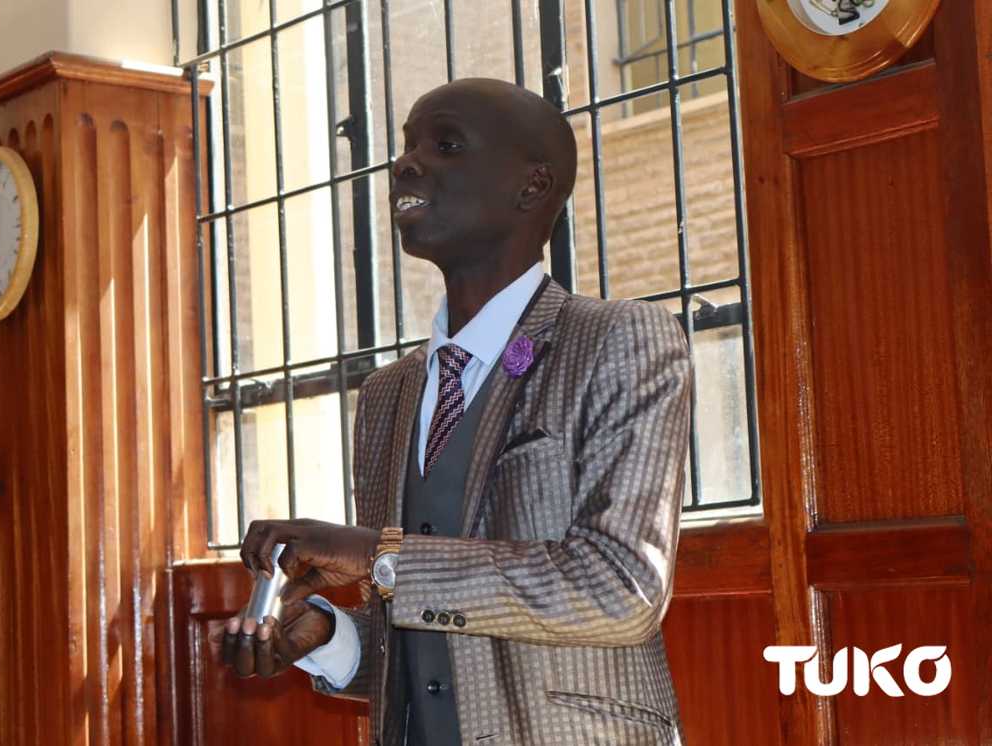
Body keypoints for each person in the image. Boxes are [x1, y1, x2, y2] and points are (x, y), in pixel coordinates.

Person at [218, 77, 692, 746]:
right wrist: (328, 637)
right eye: (407, 145)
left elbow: (622, 589)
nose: (405, 164)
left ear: (531, 186)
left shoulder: (618, 340)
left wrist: (375, 554)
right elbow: (428, 643)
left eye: (445, 145)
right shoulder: (386, 395)